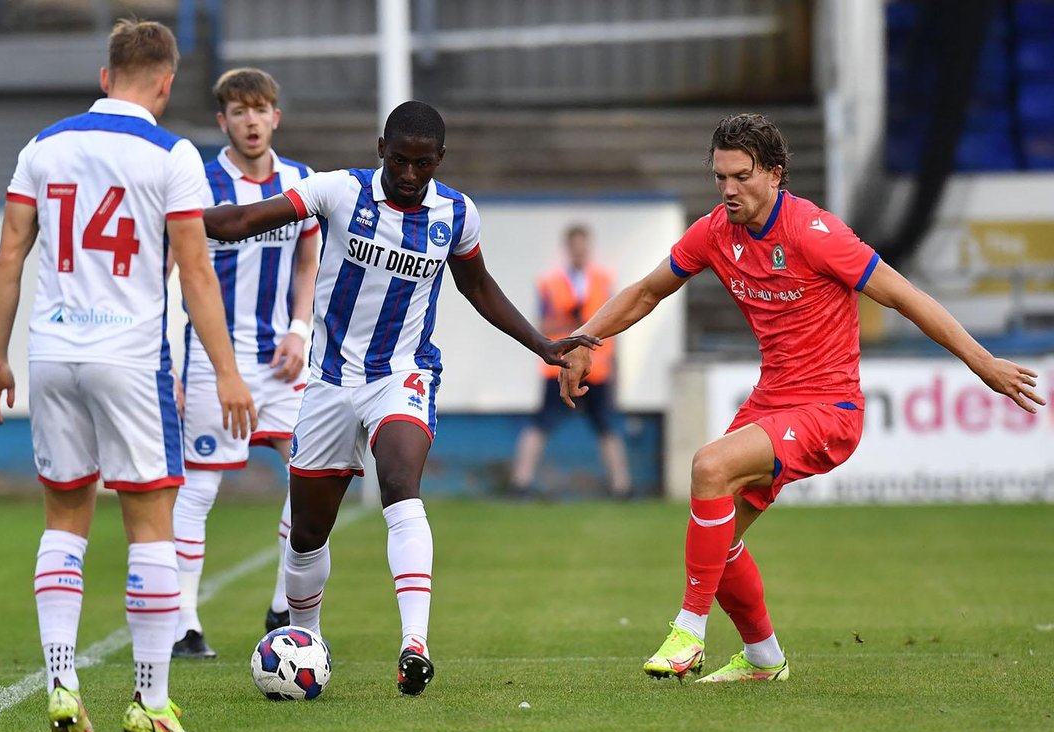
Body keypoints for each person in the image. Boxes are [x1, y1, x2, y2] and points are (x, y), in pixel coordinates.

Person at [559, 113, 1046, 683]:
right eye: (720, 177)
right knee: (721, 541)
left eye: (740, 176)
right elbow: (646, 291)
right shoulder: (715, 231)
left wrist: (981, 361)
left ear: (774, 174)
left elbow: (905, 297)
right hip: (772, 401)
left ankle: (688, 632)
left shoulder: (816, 233)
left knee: (708, 466)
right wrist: (583, 339)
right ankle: (764, 659)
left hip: (829, 409)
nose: (728, 189)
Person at [204, 100, 599, 695]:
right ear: (379, 149)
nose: (410, 175)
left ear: (440, 160)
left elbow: (477, 285)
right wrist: (171, 215)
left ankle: (415, 643)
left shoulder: (457, 214)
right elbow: (241, 222)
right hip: (331, 379)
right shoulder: (337, 191)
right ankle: (305, 638)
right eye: (399, 161)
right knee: (308, 532)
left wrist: (542, 345)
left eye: (422, 164)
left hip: (404, 374)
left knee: (399, 482)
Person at [0, 20, 255, 732]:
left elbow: (11, 255)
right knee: (151, 525)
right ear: (165, 84)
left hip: (52, 351)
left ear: (106, 77)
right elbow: (195, 271)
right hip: (130, 357)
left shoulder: (43, 146)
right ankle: (150, 698)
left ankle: (63, 685)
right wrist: (227, 372)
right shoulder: (173, 155)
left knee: (64, 519)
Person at [170, 67, 321, 659]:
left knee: (310, 472)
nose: (251, 121)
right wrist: (177, 365)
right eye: (238, 111)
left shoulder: (299, 181)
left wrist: (300, 330)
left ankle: (284, 604)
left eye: (260, 110)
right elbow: (175, 270)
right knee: (201, 485)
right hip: (214, 359)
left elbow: (308, 262)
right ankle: (184, 622)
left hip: (281, 359)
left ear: (275, 117)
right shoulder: (201, 185)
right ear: (223, 121)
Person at [510, 224, 631, 498]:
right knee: (542, 424)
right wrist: (571, 318)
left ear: (589, 247)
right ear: (567, 248)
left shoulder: (603, 280)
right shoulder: (550, 283)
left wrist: (616, 366)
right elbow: (542, 323)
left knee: (606, 427)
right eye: (575, 246)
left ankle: (622, 486)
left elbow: (617, 321)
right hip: (560, 368)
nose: (579, 251)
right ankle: (521, 482)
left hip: (596, 369)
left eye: (583, 246)